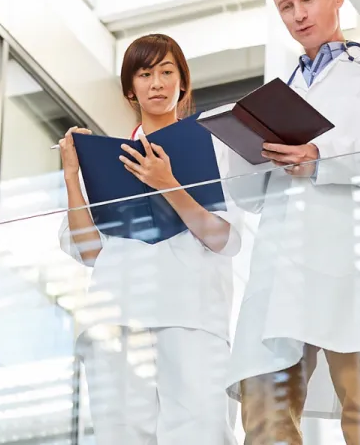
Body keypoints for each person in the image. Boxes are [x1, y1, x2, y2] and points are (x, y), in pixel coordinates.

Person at [223, 0, 360, 445]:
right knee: (266, 416)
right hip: (280, 266)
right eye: (286, 6)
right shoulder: (273, 95)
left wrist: (321, 156)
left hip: (351, 260)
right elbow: (248, 198)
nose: (298, 15)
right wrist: (244, 151)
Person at [56, 33, 239, 445]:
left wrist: (168, 183)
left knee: (203, 433)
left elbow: (224, 239)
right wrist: (72, 175)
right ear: (130, 90)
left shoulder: (214, 147)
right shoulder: (106, 159)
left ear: (183, 83)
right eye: (145, 74)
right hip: (117, 315)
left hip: (191, 314)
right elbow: (89, 250)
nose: (157, 83)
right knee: (121, 435)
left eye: (166, 72)